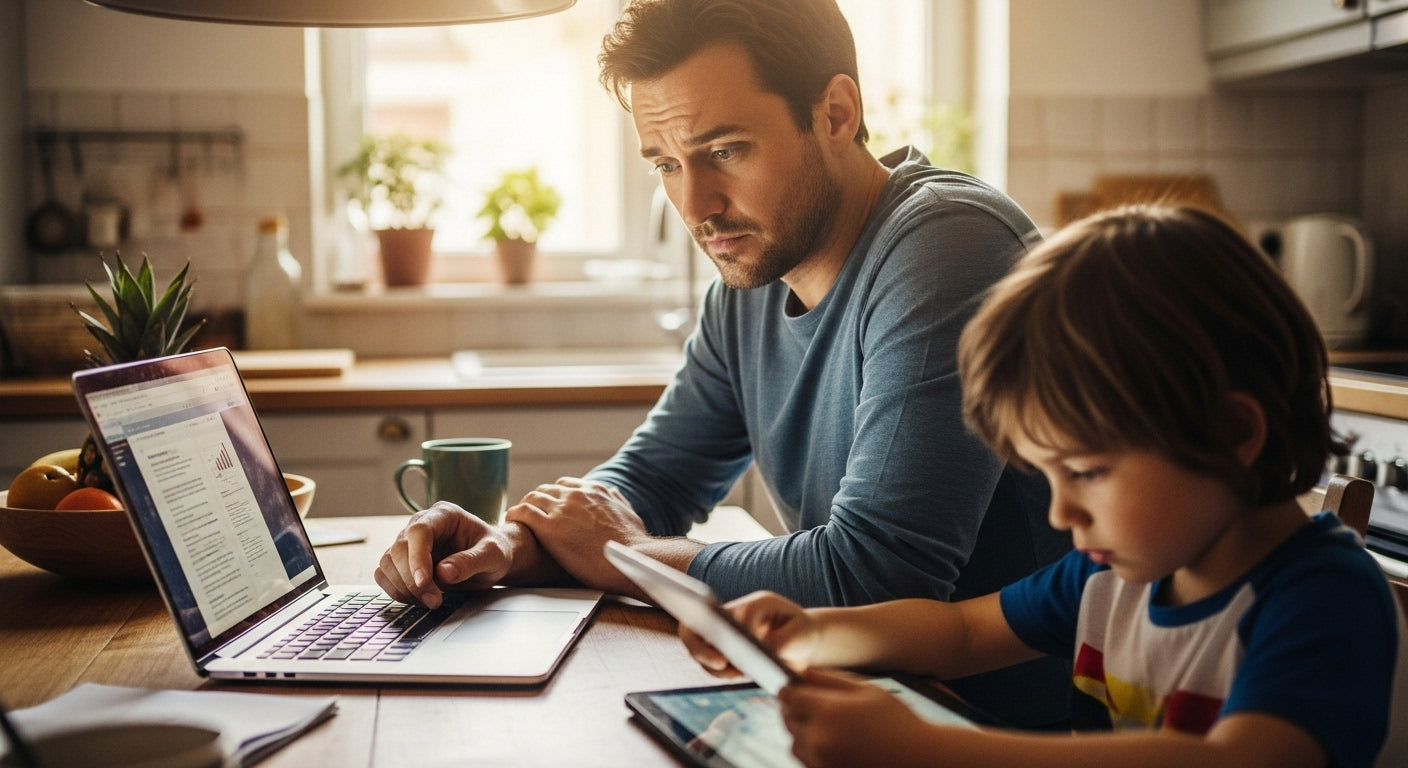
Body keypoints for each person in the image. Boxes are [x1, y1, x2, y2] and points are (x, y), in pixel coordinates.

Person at [374, 0, 1069, 727]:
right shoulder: (753, 280)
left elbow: (874, 574)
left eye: (726, 151)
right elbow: (653, 481)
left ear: (835, 114)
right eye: (666, 164)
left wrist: (626, 554)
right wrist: (505, 545)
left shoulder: (948, 246)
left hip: (1006, 732)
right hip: (857, 707)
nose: (694, 205)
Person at [680, 204, 1408, 768]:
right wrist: (813, 632)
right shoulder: (1111, 576)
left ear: (1232, 434)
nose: (1063, 513)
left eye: (1086, 473)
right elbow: (962, 634)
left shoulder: (1321, 597)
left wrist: (929, 750)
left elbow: (1236, 761)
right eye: (1048, 475)